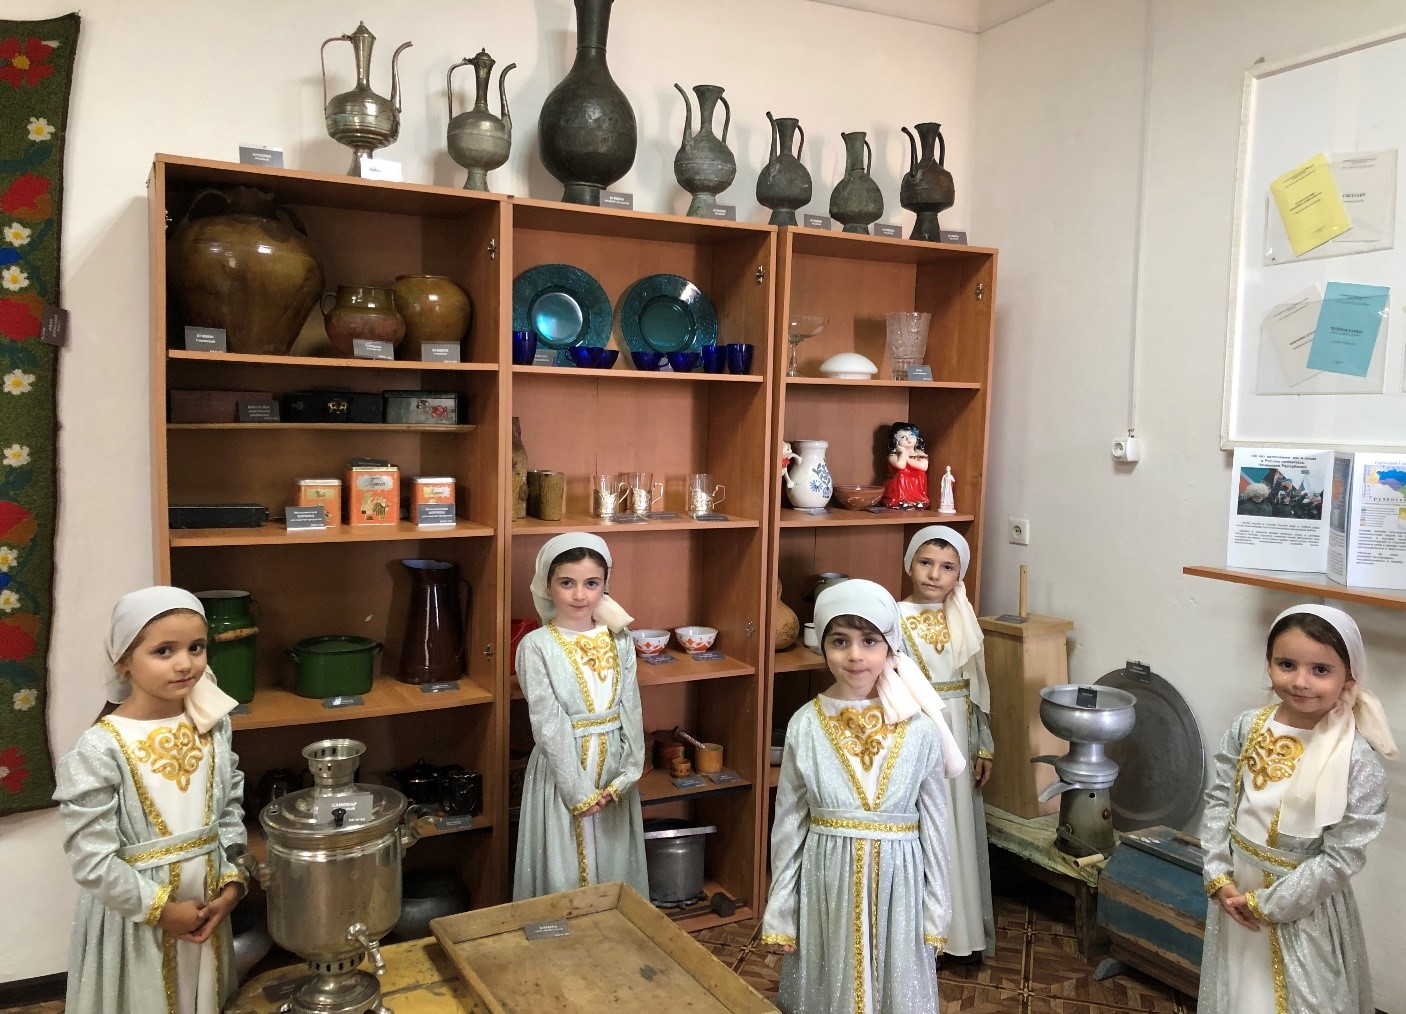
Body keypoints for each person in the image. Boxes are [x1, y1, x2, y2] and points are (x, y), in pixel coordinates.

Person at [761, 578, 965, 1013]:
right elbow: (789, 824)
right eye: (840, 641)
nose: (855, 655)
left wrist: (936, 909)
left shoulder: (920, 730)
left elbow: (935, 823)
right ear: (822, 646)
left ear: (890, 647)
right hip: (826, 883)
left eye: (869, 641)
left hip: (899, 885)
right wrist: (781, 909)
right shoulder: (805, 725)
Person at [54, 587, 247, 1014]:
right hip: (138, 919)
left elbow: (228, 807)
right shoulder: (99, 749)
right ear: (123, 661)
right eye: (164, 651)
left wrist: (232, 882)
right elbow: (92, 860)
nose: (185, 663)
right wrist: (162, 911)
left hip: (208, 905)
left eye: (196, 647)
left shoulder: (213, 725)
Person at [1198, 604, 1395, 1014]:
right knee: (1238, 990)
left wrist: (1266, 905)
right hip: (1236, 887)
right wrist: (1218, 874)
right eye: (1286, 664)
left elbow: (1342, 857)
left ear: (1349, 677)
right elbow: (1219, 800)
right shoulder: (1247, 726)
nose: (1301, 682)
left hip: (1301, 904)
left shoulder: (1357, 761)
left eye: (1321, 670)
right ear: (1268, 663)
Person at [513, 533, 648, 900]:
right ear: (547, 585)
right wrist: (578, 792)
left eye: (591, 583)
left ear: (605, 585)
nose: (579, 595)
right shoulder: (536, 646)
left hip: (613, 771)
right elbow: (547, 722)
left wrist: (627, 775)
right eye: (566, 583)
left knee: (613, 862)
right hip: (563, 771)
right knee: (566, 866)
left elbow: (631, 708)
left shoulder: (620, 639)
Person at [896, 526, 995, 962]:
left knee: (958, 828)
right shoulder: (894, 615)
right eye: (925, 563)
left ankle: (961, 934)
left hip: (960, 729)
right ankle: (920, 940)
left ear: (960, 574)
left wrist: (983, 745)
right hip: (918, 724)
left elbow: (978, 688)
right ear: (909, 565)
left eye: (947, 567)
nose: (935, 574)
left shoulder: (965, 619)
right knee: (924, 826)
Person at [880, 422, 929, 509]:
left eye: (911, 435)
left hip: (915, 483)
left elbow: (923, 467)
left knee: (920, 474)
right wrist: (903, 453)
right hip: (897, 484)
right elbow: (901, 466)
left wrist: (907, 459)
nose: (908, 439)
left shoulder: (919, 454)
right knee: (902, 473)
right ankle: (902, 500)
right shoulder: (893, 456)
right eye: (903, 437)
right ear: (896, 441)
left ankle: (917, 500)